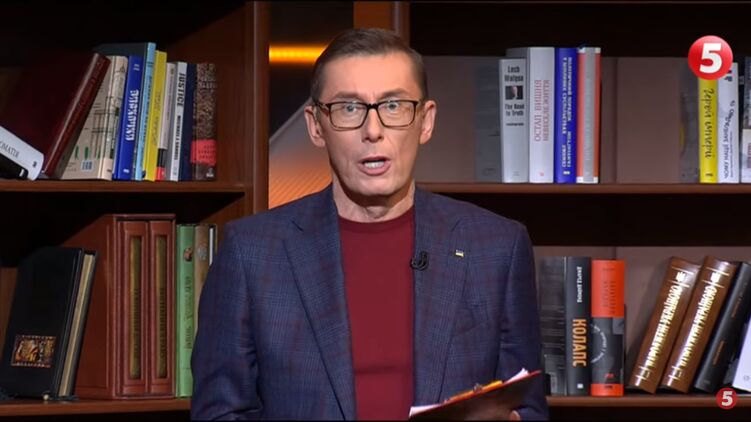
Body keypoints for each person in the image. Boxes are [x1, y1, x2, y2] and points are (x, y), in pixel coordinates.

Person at [191, 27, 548, 421]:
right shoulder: (251, 253)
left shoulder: (498, 247)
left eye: (393, 106)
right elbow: (219, 413)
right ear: (316, 126)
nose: (373, 131)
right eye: (349, 108)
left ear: (426, 121)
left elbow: (527, 406)